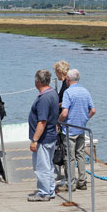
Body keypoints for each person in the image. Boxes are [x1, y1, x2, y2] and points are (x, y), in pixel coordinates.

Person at [59, 69, 96, 191]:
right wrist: (85, 119)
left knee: (69, 156)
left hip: (69, 129)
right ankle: (82, 181)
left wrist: (58, 122)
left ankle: (71, 183)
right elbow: (93, 110)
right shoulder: (85, 91)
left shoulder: (68, 92)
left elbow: (64, 113)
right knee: (80, 154)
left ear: (68, 79)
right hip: (81, 128)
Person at [27, 70, 59, 202]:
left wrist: (35, 140)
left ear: (37, 81)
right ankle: (50, 190)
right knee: (48, 165)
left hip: (44, 138)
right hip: (51, 135)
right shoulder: (52, 93)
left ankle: (44, 192)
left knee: (41, 167)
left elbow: (42, 121)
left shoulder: (44, 98)